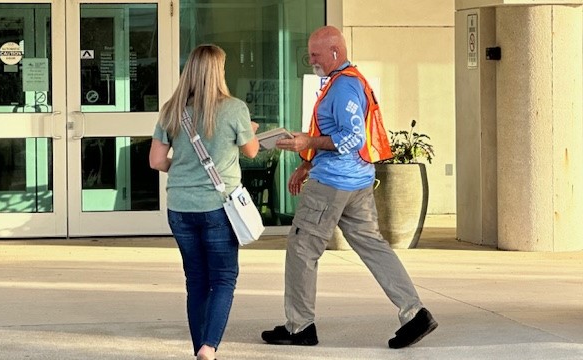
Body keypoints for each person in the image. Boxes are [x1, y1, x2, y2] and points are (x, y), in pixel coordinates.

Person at [261, 26, 437, 349]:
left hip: (331, 186)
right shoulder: (347, 82)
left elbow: (353, 139)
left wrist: (307, 142)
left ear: (334, 53)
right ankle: (414, 314)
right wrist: (306, 163)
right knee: (374, 247)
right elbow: (344, 138)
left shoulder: (343, 89)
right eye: (309, 53)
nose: (310, 59)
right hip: (356, 183)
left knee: (301, 250)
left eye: (315, 54)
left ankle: (300, 327)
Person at [150, 44, 260, 360]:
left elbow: (157, 161)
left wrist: (185, 169)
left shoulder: (172, 108)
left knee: (196, 281)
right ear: (218, 71)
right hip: (218, 207)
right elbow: (251, 151)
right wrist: (250, 132)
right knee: (223, 279)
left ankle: (200, 347)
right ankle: (209, 348)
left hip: (180, 208)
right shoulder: (235, 108)